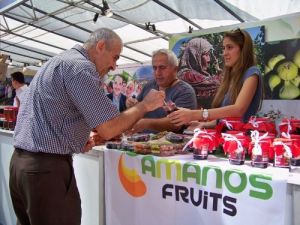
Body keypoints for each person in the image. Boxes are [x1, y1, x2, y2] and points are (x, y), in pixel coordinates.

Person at [9, 28, 165, 225]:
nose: (114, 66)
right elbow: (109, 128)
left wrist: (74, 139)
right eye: (114, 57)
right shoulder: (80, 68)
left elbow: (49, 115)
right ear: (100, 46)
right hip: (45, 172)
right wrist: (145, 105)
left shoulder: (59, 61)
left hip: (22, 166)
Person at [168, 29, 262, 129]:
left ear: (243, 50)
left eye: (230, 47)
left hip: (241, 141)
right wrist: (204, 125)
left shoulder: (252, 73)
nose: (224, 53)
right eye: (224, 48)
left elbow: (238, 110)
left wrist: (194, 114)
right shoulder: (230, 78)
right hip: (226, 140)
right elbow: (227, 119)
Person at [126, 49, 197, 133]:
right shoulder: (150, 85)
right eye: (154, 68)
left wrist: (146, 123)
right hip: (142, 142)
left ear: (175, 69)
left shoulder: (185, 91)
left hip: (170, 144)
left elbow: (176, 124)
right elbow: (137, 107)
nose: (157, 73)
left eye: (162, 68)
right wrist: (130, 103)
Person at [178, 37, 222, 108]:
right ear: (195, 55)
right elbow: (215, 83)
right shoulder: (187, 75)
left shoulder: (192, 73)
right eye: (206, 55)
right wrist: (221, 73)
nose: (209, 60)